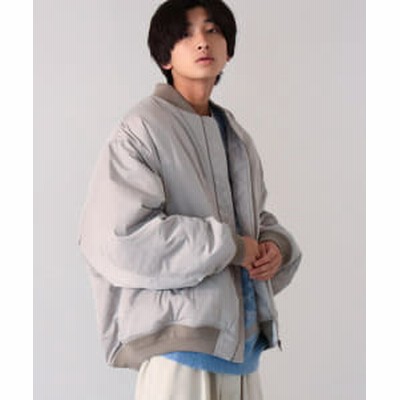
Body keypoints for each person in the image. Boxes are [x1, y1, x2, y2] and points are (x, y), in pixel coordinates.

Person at [78, 1, 302, 399]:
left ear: (228, 50)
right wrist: (231, 247)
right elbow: (120, 238)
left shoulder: (236, 136)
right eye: (186, 33)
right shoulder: (141, 129)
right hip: (179, 354)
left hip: (242, 351)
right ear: (165, 57)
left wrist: (276, 246)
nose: (202, 41)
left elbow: (254, 217)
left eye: (212, 30)